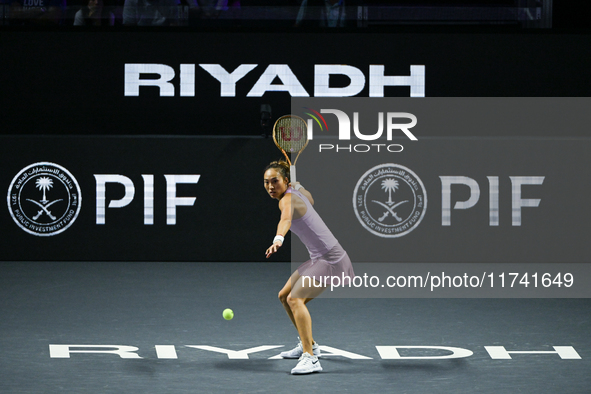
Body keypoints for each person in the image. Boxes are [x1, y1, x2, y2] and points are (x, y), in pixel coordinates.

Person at [263, 160, 354, 375]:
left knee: (296, 299)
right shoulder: (298, 192)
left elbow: (285, 219)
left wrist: (278, 239)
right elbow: (311, 200)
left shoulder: (287, 200)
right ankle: (310, 344)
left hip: (331, 260)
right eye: (266, 182)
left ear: (285, 181)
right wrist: (299, 186)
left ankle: (311, 358)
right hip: (319, 258)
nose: (270, 187)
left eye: (275, 181)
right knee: (284, 296)